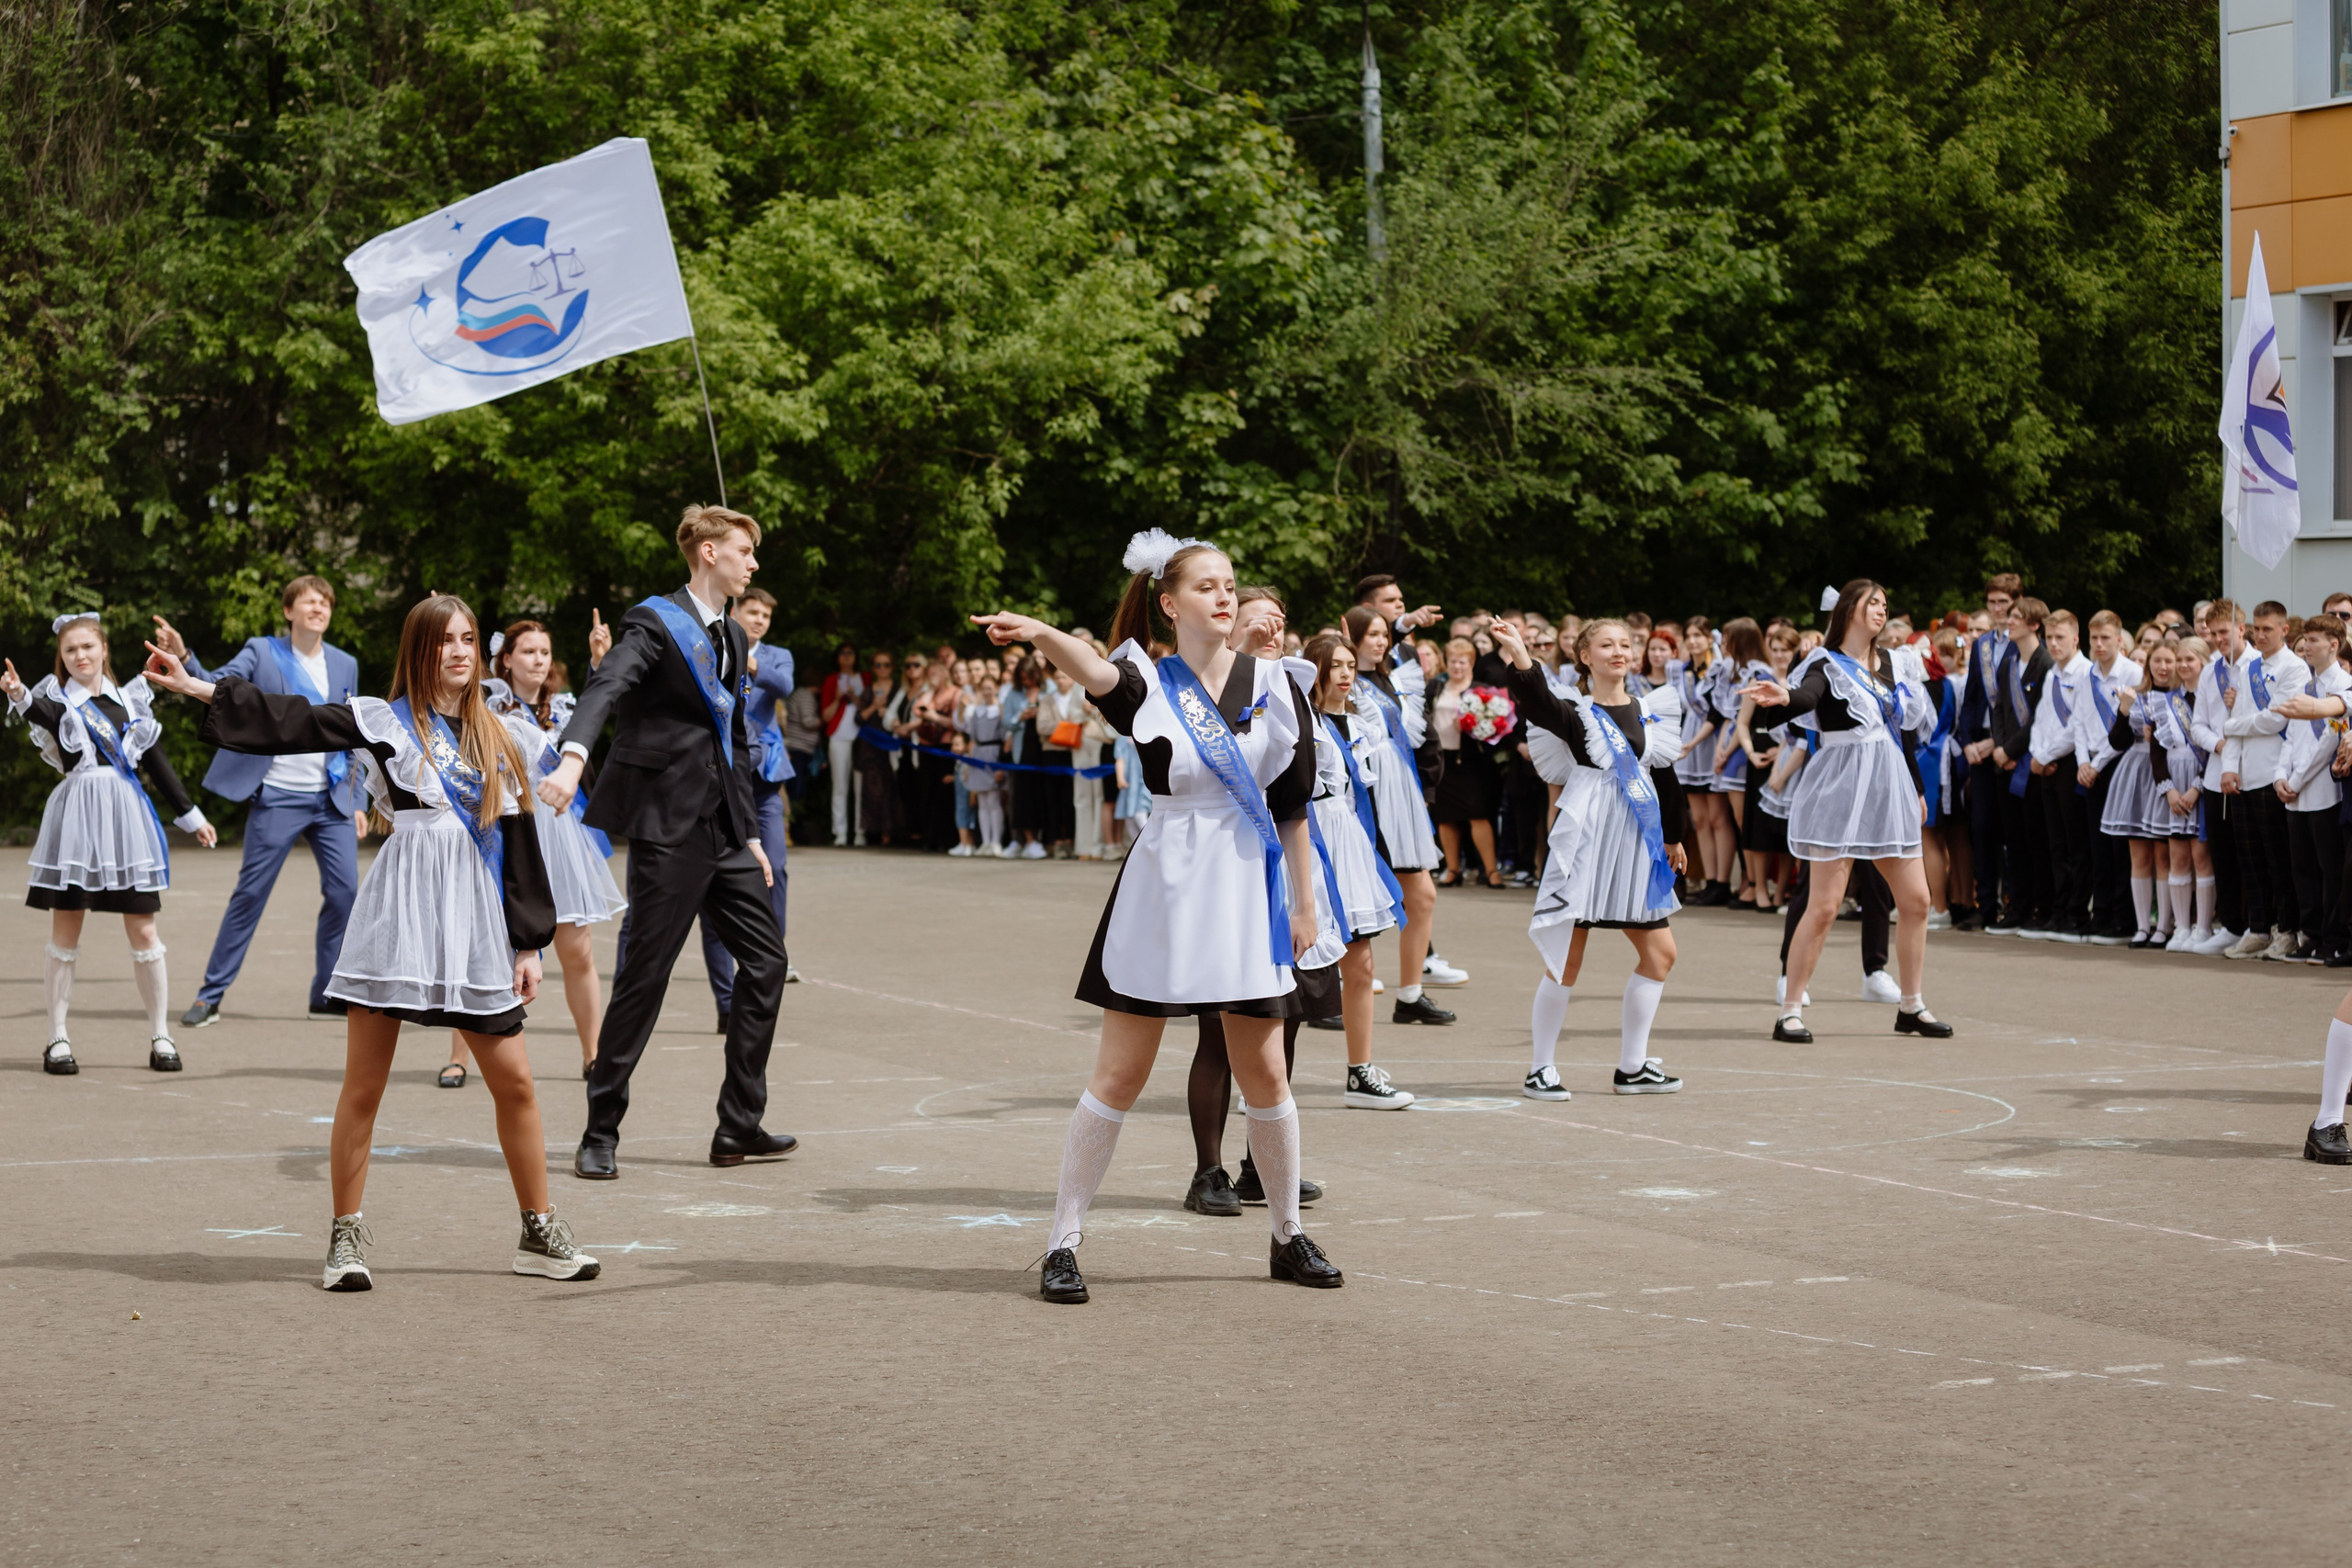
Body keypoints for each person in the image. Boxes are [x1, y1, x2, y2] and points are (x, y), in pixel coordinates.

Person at [142, 595, 594, 1291]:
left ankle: (538, 1228)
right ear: (419, 649)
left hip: (474, 918)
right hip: (401, 909)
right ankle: (344, 1237)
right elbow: (286, 721)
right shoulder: (381, 718)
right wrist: (197, 683)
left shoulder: (499, 734)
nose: (460, 651)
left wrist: (528, 944)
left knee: (518, 1082)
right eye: (445, 640)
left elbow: (518, 840)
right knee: (364, 1085)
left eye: (469, 638)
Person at [972, 530, 1341, 1303]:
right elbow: (1097, 672)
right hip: (1166, 880)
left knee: (1266, 1069)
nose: (1224, 594)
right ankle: (1063, 1241)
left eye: (1230, 582)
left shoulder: (1280, 683)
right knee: (1120, 1071)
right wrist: (1041, 633)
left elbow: (1294, 806)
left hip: (1248, 882)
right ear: (1169, 603)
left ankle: (1284, 1232)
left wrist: (1307, 905)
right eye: (1206, 584)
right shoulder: (1147, 677)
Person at [541, 503, 796, 1181]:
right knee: (643, 982)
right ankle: (601, 1130)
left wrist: (749, 832)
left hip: (724, 831)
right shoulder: (653, 621)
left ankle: (738, 1123)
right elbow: (608, 685)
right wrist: (572, 757)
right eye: (745, 550)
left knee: (767, 965)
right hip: (667, 829)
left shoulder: (737, 638)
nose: (754, 562)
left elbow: (736, 740)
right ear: (709, 552)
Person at [6, 614, 217, 1075]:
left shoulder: (131, 700)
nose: (80, 656)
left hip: (126, 825)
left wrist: (191, 816)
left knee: (144, 930)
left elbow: (157, 765)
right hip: (77, 825)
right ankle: (57, 1037)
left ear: (103, 649)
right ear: (61, 660)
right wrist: (20, 694)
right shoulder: (60, 702)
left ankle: (161, 1034)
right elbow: (42, 713)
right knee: (66, 929)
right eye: (69, 651)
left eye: (87, 647)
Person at [1744, 580, 1952, 1043]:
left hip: (1890, 785)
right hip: (1840, 787)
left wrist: (1916, 789)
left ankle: (1911, 1006)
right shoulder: (1824, 662)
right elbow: (1810, 697)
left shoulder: (1895, 663)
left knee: (1917, 901)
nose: (1881, 609)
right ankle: (1790, 1010)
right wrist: (1784, 697)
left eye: (1884, 602)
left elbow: (1903, 734)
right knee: (1822, 907)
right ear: (1850, 609)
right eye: (1872, 602)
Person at [1489, 615, 1689, 1097]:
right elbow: (1535, 699)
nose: (1619, 651)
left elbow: (1663, 777)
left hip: (1635, 843)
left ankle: (1633, 1066)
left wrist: (1674, 835)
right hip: (1589, 840)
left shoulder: (1650, 708)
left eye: (1625, 643)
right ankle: (1541, 1067)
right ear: (1585, 656)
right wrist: (1520, 652)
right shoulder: (1575, 712)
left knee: (1661, 955)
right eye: (1606, 645)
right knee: (1566, 959)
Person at [151, 577, 363, 1027]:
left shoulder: (345, 664)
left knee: (346, 894)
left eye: (324, 602)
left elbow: (352, 735)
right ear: (289, 611)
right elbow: (217, 686)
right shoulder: (262, 651)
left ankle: (326, 995)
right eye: (308, 601)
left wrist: (358, 799)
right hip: (277, 796)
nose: (318, 607)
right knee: (250, 894)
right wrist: (186, 659)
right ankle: (210, 995)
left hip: (332, 800)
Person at [449, 619, 628, 1084]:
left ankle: (593, 1054)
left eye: (544, 653)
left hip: (560, 837)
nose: (538, 660)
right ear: (505, 659)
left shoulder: (565, 708)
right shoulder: (485, 704)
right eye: (527, 652)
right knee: (484, 948)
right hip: (505, 832)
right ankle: (460, 1057)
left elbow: (601, 704)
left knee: (579, 951)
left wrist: (597, 661)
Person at [1343, 605, 1453, 1024]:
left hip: (1401, 793)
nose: (1380, 640)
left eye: (1382, 634)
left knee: (1422, 895)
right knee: (1353, 899)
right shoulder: (1344, 677)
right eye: (1371, 634)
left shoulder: (1392, 675)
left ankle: (1410, 995)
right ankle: (1329, 988)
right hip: (1366, 794)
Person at [698, 586, 799, 1021]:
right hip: (720, 778)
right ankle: (725, 1001)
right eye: (752, 612)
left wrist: (746, 659)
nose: (759, 620)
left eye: (766, 616)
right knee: (718, 886)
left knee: (773, 869)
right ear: (736, 610)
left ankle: (770, 956)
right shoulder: (710, 644)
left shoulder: (775, 655)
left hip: (764, 780)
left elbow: (784, 685)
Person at [2220, 601, 2312, 961]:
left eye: (2267, 629)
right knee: (2250, 858)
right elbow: (2240, 717)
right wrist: (2229, 764)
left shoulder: (2295, 668)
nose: (2260, 635)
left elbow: (2274, 719)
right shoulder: (2249, 668)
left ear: (2284, 630)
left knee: (2278, 858)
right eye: (2256, 629)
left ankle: (2287, 929)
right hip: (2245, 771)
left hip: (2274, 772)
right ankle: (2258, 928)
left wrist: (2229, 727)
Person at [2098, 642, 2193, 948]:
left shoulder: (2183, 696)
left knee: (2163, 854)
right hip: (2136, 772)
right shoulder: (2135, 695)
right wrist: (2124, 711)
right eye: (2157, 661)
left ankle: (2164, 926)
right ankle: (2142, 926)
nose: (2163, 667)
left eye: (2169, 661)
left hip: (2169, 775)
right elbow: (2117, 740)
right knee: (2138, 855)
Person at [2274, 615, 2352, 962]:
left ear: (2334, 645)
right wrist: (2280, 776)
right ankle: (2312, 934)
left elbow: (2328, 740)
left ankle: (2333, 938)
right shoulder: (2305, 686)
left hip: (2322, 792)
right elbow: (2290, 737)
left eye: (2315, 640)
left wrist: (2297, 780)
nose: (2306, 646)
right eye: (2305, 639)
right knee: (2302, 869)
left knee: (2330, 871)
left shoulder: (2343, 686)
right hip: (2294, 793)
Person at [2073, 611, 2143, 944]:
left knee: (2119, 846)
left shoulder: (2133, 673)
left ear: (2119, 639)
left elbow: (2125, 730)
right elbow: (2079, 722)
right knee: (2097, 845)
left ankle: (2121, 917)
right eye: (2094, 639)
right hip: (2090, 769)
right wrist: (2083, 761)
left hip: (2119, 764)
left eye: (2105, 639)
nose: (2099, 645)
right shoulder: (2087, 674)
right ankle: (2099, 914)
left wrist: (2097, 762)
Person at [1956, 574, 2020, 931]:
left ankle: (2014, 902)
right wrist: (1967, 741)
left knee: (2010, 829)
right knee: (1980, 827)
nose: (1998, 610)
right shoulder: (1981, 644)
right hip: (1978, 744)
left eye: (2004, 604)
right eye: (1993, 602)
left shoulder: (2025, 642)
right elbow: (1971, 698)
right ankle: (1986, 904)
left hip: (2009, 744)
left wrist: (1996, 742)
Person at [1987, 598, 2054, 939]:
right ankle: (2018, 906)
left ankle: (2041, 907)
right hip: (2006, 763)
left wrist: (2012, 749)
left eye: (2016, 617)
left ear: (2034, 625)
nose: (2009, 621)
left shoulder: (2045, 662)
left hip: (2031, 762)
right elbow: (1998, 708)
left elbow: (2041, 715)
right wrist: (1999, 747)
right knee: (2013, 839)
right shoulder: (2009, 662)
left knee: (2036, 839)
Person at [2024, 611, 2092, 942]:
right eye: (2049, 638)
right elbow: (2040, 720)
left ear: (2076, 638)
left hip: (2067, 764)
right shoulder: (2052, 673)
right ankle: (2060, 908)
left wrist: (2047, 756)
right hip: (2045, 764)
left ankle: (2077, 914)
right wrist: (2037, 755)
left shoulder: (2085, 673)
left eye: (2060, 637)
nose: (2053, 643)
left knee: (2075, 843)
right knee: (2056, 844)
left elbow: (2076, 726)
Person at [1431, 636, 1504, 886]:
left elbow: (1495, 726)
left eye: (1462, 662)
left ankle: (1491, 870)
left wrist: (1471, 728)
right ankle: (1453, 870)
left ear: (1471, 663)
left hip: (1471, 762)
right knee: (1446, 816)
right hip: (1443, 760)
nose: (1457, 667)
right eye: (1453, 661)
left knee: (1478, 814)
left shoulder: (1481, 691)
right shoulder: (1436, 687)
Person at [958, 674, 1008, 854]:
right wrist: (970, 764)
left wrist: (1001, 765)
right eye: (983, 688)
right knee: (982, 801)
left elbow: (1005, 739)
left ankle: (996, 842)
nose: (987, 692)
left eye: (990, 688)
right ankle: (985, 842)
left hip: (994, 754)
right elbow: (972, 739)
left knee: (994, 800)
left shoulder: (1000, 710)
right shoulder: (976, 712)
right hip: (979, 755)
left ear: (995, 688)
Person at [820, 642, 865, 845]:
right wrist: (838, 698)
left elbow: (869, 707)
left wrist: (854, 697)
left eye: (851, 652)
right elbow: (826, 716)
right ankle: (840, 833)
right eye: (843, 653)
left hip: (863, 739)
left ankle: (861, 832)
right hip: (838, 737)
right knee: (840, 786)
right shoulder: (830, 680)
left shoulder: (866, 678)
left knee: (861, 787)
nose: (847, 657)